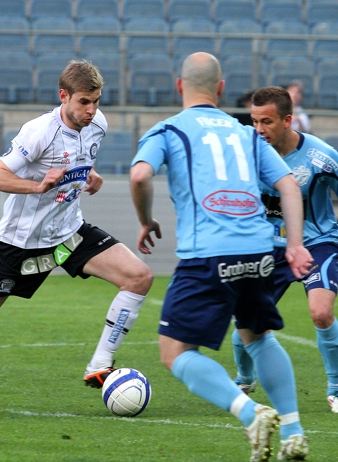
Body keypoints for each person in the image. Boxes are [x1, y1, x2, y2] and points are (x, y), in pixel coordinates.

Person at [0, 60, 153, 399]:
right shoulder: (38, 132)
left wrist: (90, 174)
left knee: (138, 277)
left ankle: (99, 365)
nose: (92, 110)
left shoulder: (98, 125)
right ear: (64, 96)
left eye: (97, 101)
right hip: (22, 243)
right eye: (84, 102)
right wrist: (37, 187)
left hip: (69, 232)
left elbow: (77, 160)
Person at [129, 53, 311, 461]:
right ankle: (295, 432)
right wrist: (295, 245)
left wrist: (146, 220)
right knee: (259, 337)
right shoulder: (246, 132)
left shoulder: (169, 129)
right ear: (222, 89)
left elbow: (140, 175)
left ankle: (250, 413)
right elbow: (289, 185)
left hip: (208, 254)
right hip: (260, 251)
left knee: (174, 352)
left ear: (180, 87)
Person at [231, 86, 338, 416]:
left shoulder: (320, 157)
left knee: (321, 312)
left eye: (267, 122)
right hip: (267, 248)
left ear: (288, 120)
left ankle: (335, 387)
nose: (259, 130)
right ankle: (244, 380)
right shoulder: (246, 152)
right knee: (244, 327)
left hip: (316, 243)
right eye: (254, 121)